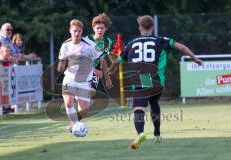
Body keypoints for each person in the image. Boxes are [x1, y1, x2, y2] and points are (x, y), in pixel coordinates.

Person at [107, 15, 203, 149]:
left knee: (138, 110)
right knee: (154, 102)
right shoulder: (160, 40)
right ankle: (157, 134)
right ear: (152, 27)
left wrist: (111, 69)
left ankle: (140, 133)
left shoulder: (132, 42)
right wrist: (195, 58)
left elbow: (119, 60)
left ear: (140, 27)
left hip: (141, 79)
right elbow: (181, 47)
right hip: (157, 81)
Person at [57, 19, 103, 132]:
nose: (76, 33)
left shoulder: (90, 45)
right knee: (68, 103)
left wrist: (102, 74)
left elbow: (102, 59)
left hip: (85, 80)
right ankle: (76, 125)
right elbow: (62, 61)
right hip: (69, 78)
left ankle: (74, 124)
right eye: (74, 31)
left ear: (82, 31)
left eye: (79, 31)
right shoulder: (65, 45)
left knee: (83, 111)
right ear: (70, 31)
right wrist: (61, 66)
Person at [87, 13, 113, 96]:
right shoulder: (87, 40)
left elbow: (106, 60)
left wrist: (108, 78)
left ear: (106, 29)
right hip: (84, 69)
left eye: (102, 28)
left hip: (96, 71)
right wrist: (94, 70)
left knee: (91, 92)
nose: (100, 30)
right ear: (93, 28)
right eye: (97, 28)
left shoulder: (108, 42)